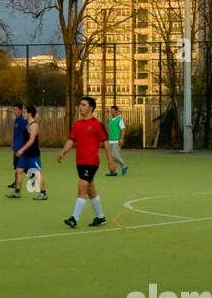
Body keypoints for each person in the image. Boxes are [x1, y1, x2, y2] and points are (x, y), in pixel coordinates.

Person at [57, 96, 107, 228]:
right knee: (90, 190)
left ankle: (74, 218)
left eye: (84, 105)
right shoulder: (77, 125)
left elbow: (106, 143)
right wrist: (63, 152)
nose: (80, 107)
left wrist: (111, 162)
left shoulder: (97, 124)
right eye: (80, 104)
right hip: (80, 162)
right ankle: (101, 217)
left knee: (81, 188)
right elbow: (71, 141)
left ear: (91, 108)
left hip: (91, 162)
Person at [7, 105, 48, 200]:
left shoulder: (34, 125)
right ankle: (17, 192)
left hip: (33, 154)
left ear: (30, 114)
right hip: (25, 154)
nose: (23, 114)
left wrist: (21, 150)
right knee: (19, 171)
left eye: (25, 112)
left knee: (37, 173)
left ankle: (43, 193)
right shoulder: (27, 124)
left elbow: (31, 140)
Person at [105, 104, 128, 176]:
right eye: (111, 111)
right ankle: (114, 171)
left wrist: (121, 139)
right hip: (110, 140)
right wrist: (107, 140)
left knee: (115, 155)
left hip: (117, 140)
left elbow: (123, 129)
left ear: (117, 111)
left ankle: (124, 165)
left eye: (113, 110)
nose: (112, 112)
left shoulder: (120, 119)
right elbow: (109, 130)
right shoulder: (110, 120)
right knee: (111, 156)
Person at [9, 103, 27, 189]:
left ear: (20, 110)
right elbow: (15, 133)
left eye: (16, 109)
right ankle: (16, 182)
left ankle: (34, 177)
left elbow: (27, 132)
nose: (14, 111)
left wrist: (25, 145)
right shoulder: (16, 120)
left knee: (20, 166)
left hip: (21, 147)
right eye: (13, 109)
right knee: (15, 165)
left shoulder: (22, 120)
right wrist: (13, 143)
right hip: (16, 146)